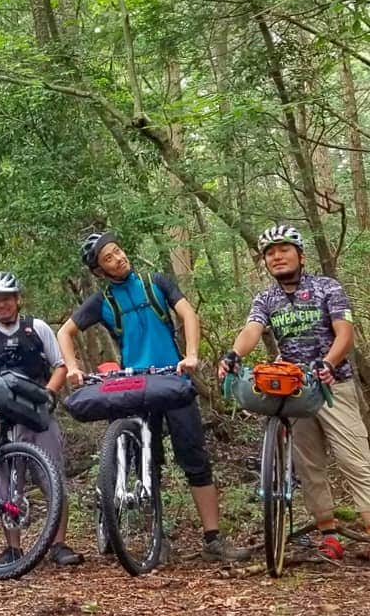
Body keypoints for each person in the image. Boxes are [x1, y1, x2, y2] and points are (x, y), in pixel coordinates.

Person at [57, 231, 247, 563]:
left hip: (172, 381)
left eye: (118, 251)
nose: (119, 259)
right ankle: (157, 538)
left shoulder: (155, 282)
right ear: (100, 272)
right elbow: (65, 332)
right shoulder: (103, 301)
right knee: (147, 461)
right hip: (134, 387)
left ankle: (213, 540)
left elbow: (188, 314)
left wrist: (190, 355)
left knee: (195, 458)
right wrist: (72, 367)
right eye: (109, 258)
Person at [217, 224, 370, 560]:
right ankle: (328, 534)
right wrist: (234, 355)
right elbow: (252, 330)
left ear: (300, 255)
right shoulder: (266, 298)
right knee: (309, 464)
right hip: (293, 389)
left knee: (355, 460)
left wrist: (328, 363)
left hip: (332, 385)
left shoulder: (327, 288)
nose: (277, 257)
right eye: (270, 253)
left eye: (283, 249)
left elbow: (345, 335)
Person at [0, 271, 83, 568]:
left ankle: (58, 545)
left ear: (18, 299)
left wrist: (48, 394)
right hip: (0, 418)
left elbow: (59, 366)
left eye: (6, 298)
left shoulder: (37, 328)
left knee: (51, 475)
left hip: (35, 412)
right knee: (4, 481)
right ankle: (12, 547)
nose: (1, 304)